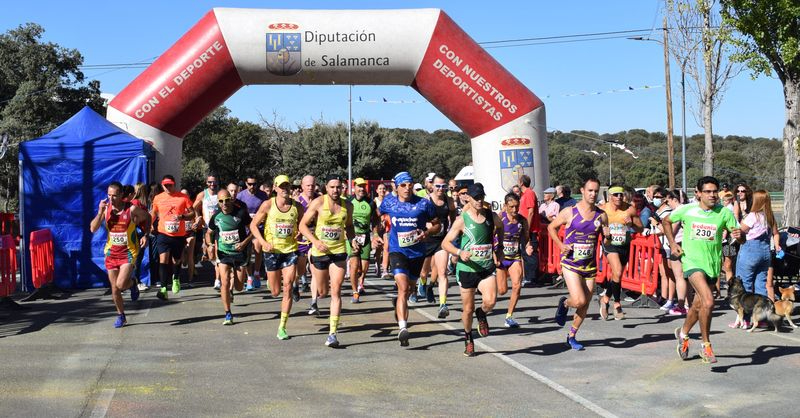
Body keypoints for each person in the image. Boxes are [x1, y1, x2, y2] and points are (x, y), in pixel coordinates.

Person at [663, 176, 742, 364]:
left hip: (712, 265)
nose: (712, 195)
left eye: (715, 191)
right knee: (708, 301)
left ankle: (683, 333)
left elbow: (739, 238)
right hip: (691, 262)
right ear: (698, 194)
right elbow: (666, 221)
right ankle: (706, 345)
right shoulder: (687, 209)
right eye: (707, 191)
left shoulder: (724, 212)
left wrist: (740, 237)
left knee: (699, 306)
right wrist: (673, 244)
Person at [441, 183, 502, 357]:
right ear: (468, 198)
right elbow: (445, 243)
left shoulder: (491, 216)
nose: (479, 201)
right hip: (467, 269)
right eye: (475, 198)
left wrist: (499, 248)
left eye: (481, 197)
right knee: (467, 309)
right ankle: (468, 338)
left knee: (490, 301)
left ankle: (481, 314)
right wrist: (460, 252)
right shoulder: (462, 220)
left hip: (485, 267)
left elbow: (501, 227)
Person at [380, 171, 440, 347]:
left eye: (410, 185)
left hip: (417, 253)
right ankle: (403, 328)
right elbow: (378, 217)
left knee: (409, 290)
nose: (407, 188)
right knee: (404, 289)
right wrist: (377, 232)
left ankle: (397, 303)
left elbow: (438, 224)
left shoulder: (423, 204)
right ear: (396, 187)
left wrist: (427, 232)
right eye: (403, 185)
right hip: (397, 250)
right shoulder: (389, 202)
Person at [299, 175, 358, 347]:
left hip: (339, 251)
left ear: (343, 188)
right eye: (332, 187)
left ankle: (333, 333)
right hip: (319, 251)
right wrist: (315, 241)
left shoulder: (348, 205)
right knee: (323, 292)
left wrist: (352, 240)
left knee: (336, 291)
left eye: (338, 187)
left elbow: (348, 226)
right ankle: (313, 267)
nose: (335, 190)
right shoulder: (318, 202)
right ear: (326, 187)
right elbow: (302, 225)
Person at [549, 178, 605, 350]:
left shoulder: (601, 215)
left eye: (596, 191)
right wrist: (561, 245)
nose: (593, 194)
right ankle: (565, 303)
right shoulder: (569, 212)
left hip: (589, 265)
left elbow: (606, 233)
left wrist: (609, 235)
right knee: (579, 300)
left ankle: (572, 335)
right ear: (582, 190)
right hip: (571, 263)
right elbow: (551, 227)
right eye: (590, 190)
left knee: (585, 304)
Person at [90, 181, 151, 327]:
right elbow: (92, 228)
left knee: (121, 283)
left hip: (128, 252)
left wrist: (146, 235)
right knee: (114, 288)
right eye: (109, 195)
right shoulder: (106, 209)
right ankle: (121, 315)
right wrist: (100, 212)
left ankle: (133, 283)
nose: (111, 199)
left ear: (122, 195)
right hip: (111, 252)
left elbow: (148, 217)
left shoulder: (132, 209)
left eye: (114, 196)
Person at [251, 175, 304, 338]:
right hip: (272, 251)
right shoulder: (268, 205)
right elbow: (253, 225)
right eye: (281, 186)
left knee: (287, 286)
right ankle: (270, 281)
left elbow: (303, 224)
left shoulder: (297, 207)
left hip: (290, 251)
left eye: (287, 186)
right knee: (275, 292)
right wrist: (263, 242)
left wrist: (300, 234)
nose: (284, 189)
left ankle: (282, 326)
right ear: (275, 188)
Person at [206, 189, 252, 325]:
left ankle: (233, 288)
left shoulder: (241, 213)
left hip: (240, 253)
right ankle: (228, 313)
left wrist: (244, 243)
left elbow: (253, 230)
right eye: (221, 201)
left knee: (239, 287)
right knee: (224, 282)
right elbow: (209, 232)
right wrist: (209, 245)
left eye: (227, 200)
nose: (224, 203)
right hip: (224, 253)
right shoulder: (216, 216)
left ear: (231, 199)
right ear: (218, 203)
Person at [598, 185, 643, 320]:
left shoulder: (629, 209)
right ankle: (617, 304)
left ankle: (605, 299)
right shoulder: (602, 209)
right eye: (616, 194)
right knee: (617, 271)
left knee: (617, 275)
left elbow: (640, 228)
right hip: (609, 244)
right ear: (610, 196)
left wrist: (631, 225)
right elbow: (593, 225)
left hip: (624, 244)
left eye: (621, 195)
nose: (619, 197)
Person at [150, 175, 195, 301]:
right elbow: (153, 213)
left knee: (176, 260)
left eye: (170, 185)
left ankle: (176, 277)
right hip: (163, 233)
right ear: (162, 185)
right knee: (163, 260)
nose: (168, 187)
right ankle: (163, 288)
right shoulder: (158, 198)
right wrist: (149, 225)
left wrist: (182, 217)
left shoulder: (183, 197)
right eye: (165, 185)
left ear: (174, 184)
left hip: (178, 235)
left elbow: (192, 213)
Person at [419, 174, 457, 313]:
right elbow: (419, 218)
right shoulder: (426, 201)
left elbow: (452, 214)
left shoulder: (449, 200)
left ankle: (443, 304)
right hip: (427, 239)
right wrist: (426, 227)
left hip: (441, 241)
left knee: (442, 272)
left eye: (443, 186)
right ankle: (423, 284)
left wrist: (451, 228)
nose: (440, 189)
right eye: (438, 186)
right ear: (432, 186)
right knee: (424, 272)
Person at [736, 190, 781, 298]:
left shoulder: (753, 216)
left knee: (744, 282)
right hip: (765, 252)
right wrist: (777, 246)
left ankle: (746, 312)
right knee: (761, 283)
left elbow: (741, 230)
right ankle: (761, 311)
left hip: (750, 250)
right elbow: (776, 233)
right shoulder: (770, 217)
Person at [496, 193, 532, 328]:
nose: (515, 210)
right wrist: (494, 255)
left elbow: (526, 238)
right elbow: (491, 236)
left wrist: (528, 246)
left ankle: (509, 316)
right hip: (501, 258)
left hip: (515, 257)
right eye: (511, 207)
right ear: (505, 206)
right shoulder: (500, 218)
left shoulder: (522, 221)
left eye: (517, 207)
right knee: (502, 291)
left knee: (517, 285)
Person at [346, 178, 380, 303]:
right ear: (354, 187)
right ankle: (355, 292)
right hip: (352, 237)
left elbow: (376, 219)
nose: (361, 189)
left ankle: (361, 282)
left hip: (365, 237)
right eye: (359, 186)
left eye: (363, 186)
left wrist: (375, 234)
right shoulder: (348, 201)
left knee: (365, 266)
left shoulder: (370, 202)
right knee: (354, 265)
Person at [238, 176, 269, 291]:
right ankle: (249, 277)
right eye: (250, 184)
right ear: (246, 184)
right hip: (245, 229)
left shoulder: (263, 196)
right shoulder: (241, 196)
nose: (252, 186)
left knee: (257, 248)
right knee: (246, 253)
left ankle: (256, 273)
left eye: (254, 184)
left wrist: (261, 217)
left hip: (258, 228)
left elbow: (267, 211)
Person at [193, 175, 222, 290]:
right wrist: (198, 217)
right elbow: (194, 207)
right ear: (206, 183)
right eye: (210, 182)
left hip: (219, 227)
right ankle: (209, 257)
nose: (212, 184)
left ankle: (218, 280)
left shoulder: (220, 193)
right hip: (207, 227)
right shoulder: (202, 194)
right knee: (211, 254)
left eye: (214, 182)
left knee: (218, 253)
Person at [295, 175, 318, 293]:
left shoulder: (319, 200)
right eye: (308, 185)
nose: (310, 188)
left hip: (315, 236)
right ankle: (296, 284)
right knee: (300, 265)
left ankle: (314, 298)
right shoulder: (297, 201)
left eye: (313, 185)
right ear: (302, 186)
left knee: (314, 264)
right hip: (300, 237)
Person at [518, 175, 540, 287]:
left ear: (521, 183)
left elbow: (530, 212)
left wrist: (528, 228)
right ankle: (528, 278)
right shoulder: (524, 195)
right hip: (524, 229)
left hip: (530, 230)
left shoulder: (529, 193)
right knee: (525, 253)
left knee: (530, 253)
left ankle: (532, 279)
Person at [373, 182, 389, 277]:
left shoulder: (387, 201)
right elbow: (374, 215)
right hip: (378, 226)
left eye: (383, 189)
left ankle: (385, 269)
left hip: (386, 226)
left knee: (386, 247)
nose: (382, 190)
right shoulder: (374, 202)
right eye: (380, 189)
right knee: (379, 248)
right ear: (376, 191)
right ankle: (377, 264)